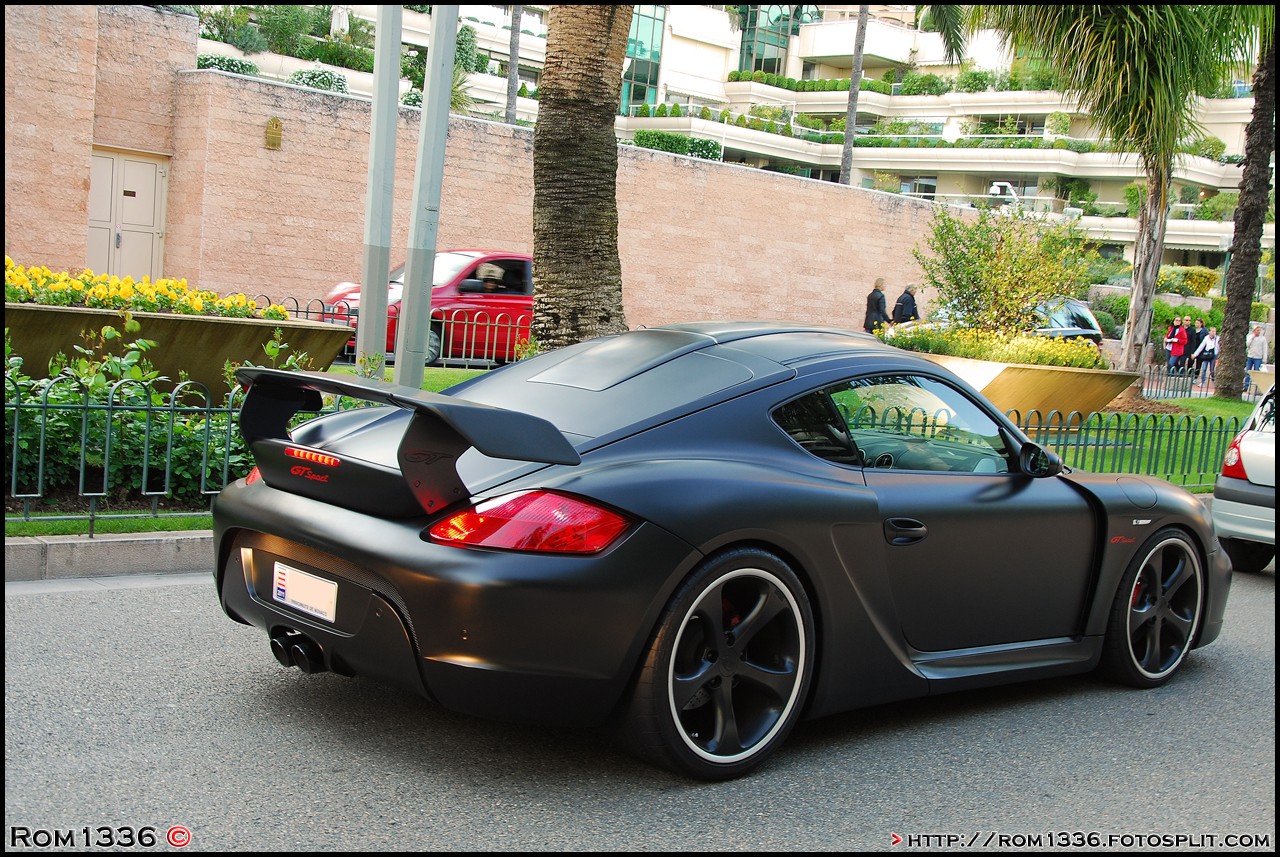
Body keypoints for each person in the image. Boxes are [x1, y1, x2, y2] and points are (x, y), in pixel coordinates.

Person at [1245, 324, 1267, 389]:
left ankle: (1254, 387)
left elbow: (1265, 348)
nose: (1258, 332)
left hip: (1258, 358)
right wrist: (1252, 337)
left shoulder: (1263, 339)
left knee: (1256, 372)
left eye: (1259, 330)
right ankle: (1246, 386)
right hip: (1250, 356)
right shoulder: (1250, 337)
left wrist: (1264, 358)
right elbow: (1247, 345)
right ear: (1254, 331)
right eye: (1257, 330)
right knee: (1248, 371)